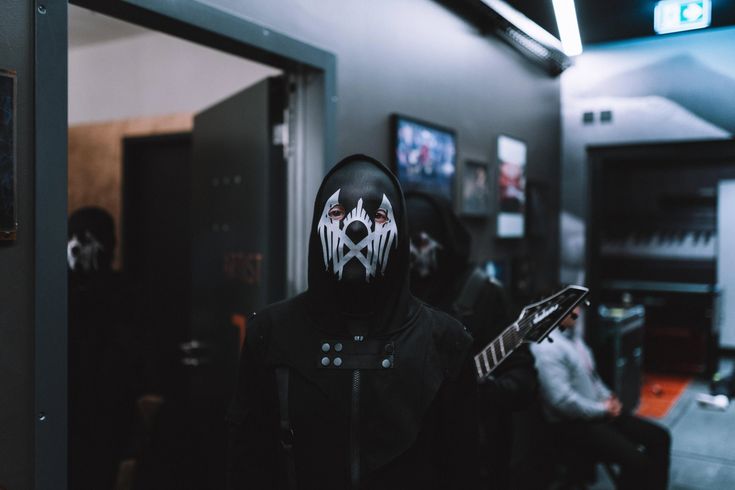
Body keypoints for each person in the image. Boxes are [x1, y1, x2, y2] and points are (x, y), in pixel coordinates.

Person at [226, 154, 479, 490]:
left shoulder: (446, 341)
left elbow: (463, 468)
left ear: (398, 230)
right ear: (319, 225)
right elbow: (247, 464)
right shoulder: (269, 334)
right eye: (337, 212)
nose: (357, 228)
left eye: (377, 215)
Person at [405, 190, 537, 490]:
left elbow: (524, 379)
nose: (411, 253)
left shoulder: (483, 294)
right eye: (403, 242)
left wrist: (484, 391)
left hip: (469, 464)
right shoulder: (390, 295)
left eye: (420, 242)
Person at [531, 304, 671, 490]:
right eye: (571, 306)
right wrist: (603, 409)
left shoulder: (572, 338)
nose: (577, 312)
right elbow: (561, 401)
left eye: (578, 305)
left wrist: (609, 397)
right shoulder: (546, 347)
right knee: (637, 463)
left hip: (598, 412)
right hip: (574, 424)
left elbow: (592, 376)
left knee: (660, 437)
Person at [67, 207, 141, 490]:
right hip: (69, 410)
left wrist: (94, 277)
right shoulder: (57, 287)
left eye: (85, 239)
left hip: (108, 414)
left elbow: (128, 354)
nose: (76, 247)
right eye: (71, 238)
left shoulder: (123, 291)